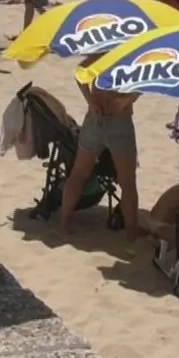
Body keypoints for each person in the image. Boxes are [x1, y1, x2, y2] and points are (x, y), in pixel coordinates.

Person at [58, 54, 140, 240]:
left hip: (95, 118)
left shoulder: (103, 53)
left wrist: (91, 102)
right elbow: (147, 82)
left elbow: (79, 73)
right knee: (127, 182)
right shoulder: (132, 54)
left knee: (78, 174)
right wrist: (127, 99)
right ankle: (131, 233)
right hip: (119, 120)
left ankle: (65, 223)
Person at [133, 162, 179, 250]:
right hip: (160, 226)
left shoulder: (177, 188)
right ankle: (157, 242)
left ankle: (152, 237)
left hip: (151, 219)